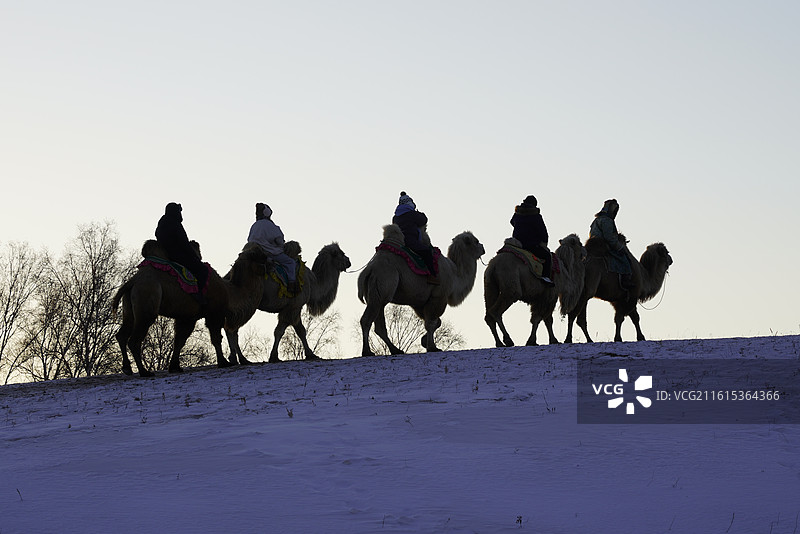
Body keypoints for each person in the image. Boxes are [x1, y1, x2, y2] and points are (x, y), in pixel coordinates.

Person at [155, 202, 208, 294]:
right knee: (203, 270)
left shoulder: (162, 222)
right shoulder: (175, 224)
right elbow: (184, 243)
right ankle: (198, 294)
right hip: (177, 256)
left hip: (165, 254)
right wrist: (194, 256)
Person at [247, 202, 298, 292]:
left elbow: (249, 239)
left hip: (254, 251)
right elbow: (279, 240)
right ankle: (291, 283)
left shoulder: (254, 225)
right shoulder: (271, 226)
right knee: (290, 263)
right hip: (269, 253)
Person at [392, 191, 438, 283]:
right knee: (427, 252)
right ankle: (432, 276)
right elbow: (423, 220)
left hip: (398, 242)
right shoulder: (412, 214)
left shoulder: (395, 217)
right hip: (410, 241)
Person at [589, 198, 634, 289]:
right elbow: (609, 237)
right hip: (604, 247)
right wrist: (619, 247)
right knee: (625, 259)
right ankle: (625, 281)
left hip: (593, 245)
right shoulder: (607, 221)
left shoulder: (596, 220)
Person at [510, 195, 553, 285]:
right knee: (547, 257)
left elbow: (512, 221)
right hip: (530, 245)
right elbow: (543, 233)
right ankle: (546, 278)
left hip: (516, 243)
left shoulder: (517, 213)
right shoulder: (536, 216)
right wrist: (543, 242)